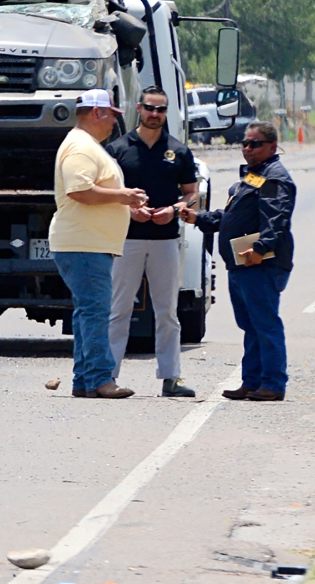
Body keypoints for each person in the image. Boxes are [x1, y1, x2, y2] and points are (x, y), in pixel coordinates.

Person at [182, 121, 295, 401]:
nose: (248, 148)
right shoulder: (253, 176)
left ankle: (273, 383)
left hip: (260, 263)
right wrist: (200, 218)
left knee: (265, 324)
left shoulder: (274, 178)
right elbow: (232, 216)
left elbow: (276, 219)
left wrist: (260, 249)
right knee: (251, 325)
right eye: (245, 143)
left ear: (271, 146)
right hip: (241, 264)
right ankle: (253, 381)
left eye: (255, 144)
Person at [49, 89, 148, 399]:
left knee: (87, 311)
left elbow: (90, 191)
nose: (114, 123)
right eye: (112, 116)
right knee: (95, 311)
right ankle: (100, 379)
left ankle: (86, 380)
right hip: (84, 243)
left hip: (86, 242)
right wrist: (123, 197)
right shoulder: (81, 147)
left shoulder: (86, 146)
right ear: (97, 113)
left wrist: (126, 205)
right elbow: (80, 190)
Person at [105, 86, 198, 398]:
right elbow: (105, 193)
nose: (155, 114)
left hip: (165, 240)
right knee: (118, 310)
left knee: (167, 311)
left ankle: (171, 377)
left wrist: (174, 210)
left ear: (166, 113)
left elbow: (192, 192)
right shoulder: (118, 149)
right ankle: (108, 375)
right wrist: (130, 209)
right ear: (140, 110)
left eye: (161, 110)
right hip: (127, 240)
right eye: (149, 108)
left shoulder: (179, 151)